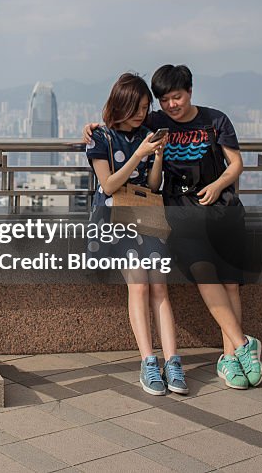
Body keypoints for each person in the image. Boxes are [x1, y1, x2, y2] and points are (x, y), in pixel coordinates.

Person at [84, 64, 262, 389]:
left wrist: (214, 182)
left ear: (190, 92)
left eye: (175, 97)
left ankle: (229, 356)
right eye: (162, 100)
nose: (167, 106)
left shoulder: (212, 120)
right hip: (159, 217)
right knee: (191, 277)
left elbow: (233, 164)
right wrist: (92, 129)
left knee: (226, 284)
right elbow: (110, 167)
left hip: (213, 213)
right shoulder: (141, 127)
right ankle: (232, 348)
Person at [86, 73, 186, 396]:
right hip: (118, 222)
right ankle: (148, 362)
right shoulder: (101, 138)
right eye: (137, 107)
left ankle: (173, 361)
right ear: (122, 104)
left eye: (145, 107)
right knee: (140, 287)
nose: (143, 113)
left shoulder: (147, 135)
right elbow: (108, 185)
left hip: (148, 218)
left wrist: (157, 156)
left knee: (160, 289)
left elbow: (153, 186)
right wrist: (139, 154)